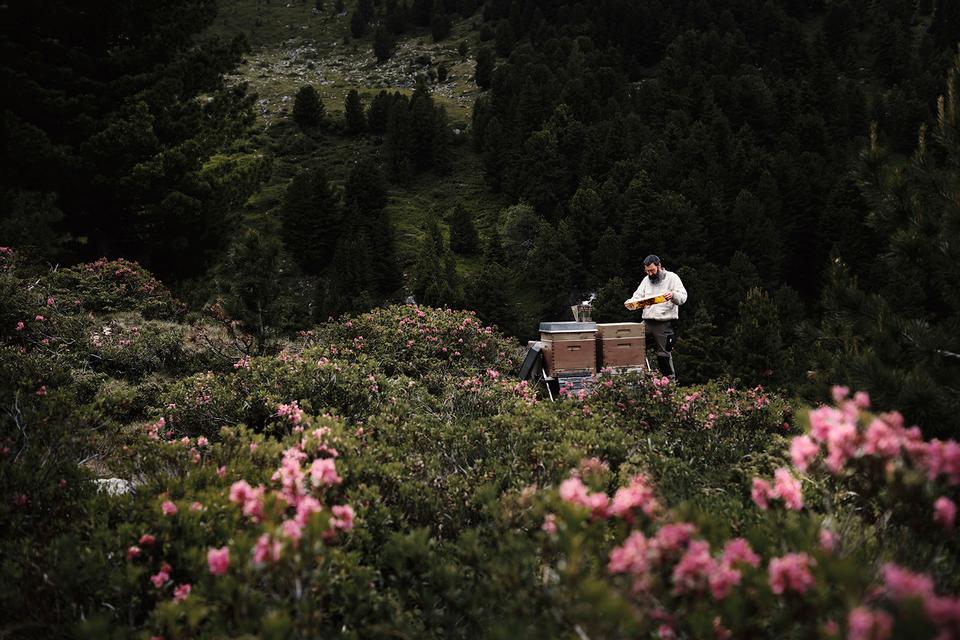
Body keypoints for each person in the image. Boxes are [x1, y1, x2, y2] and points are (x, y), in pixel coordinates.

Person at [624, 255, 687, 378]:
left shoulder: (672, 278)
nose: (650, 273)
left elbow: (683, 297)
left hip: (664, 323)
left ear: (659, 266)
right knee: (632, 344)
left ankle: (669, 384)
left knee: (663, 355)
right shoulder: (646, 280)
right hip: (647, 322)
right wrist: (631, 302)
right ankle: (641, 378)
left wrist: (673, 295)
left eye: (652, 270)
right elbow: (637, 296)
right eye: (647, 271)